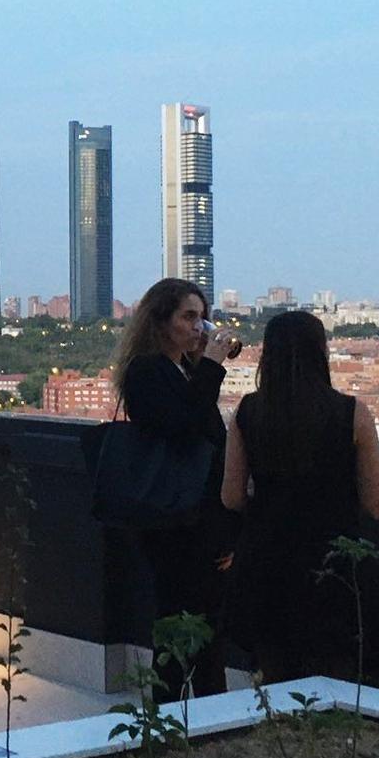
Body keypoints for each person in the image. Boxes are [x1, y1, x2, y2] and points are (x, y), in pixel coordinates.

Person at [222, 310, 379, 683]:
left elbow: (231, 496)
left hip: (267, 562)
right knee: (339, 674)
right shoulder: (353, 414)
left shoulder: (247, 412)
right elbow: (377, 503)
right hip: (335, 565)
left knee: (277, 672)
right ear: (322, 353)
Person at [111, 277, 241, 700]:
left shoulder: (178, 369)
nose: (198, 326)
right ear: (160, 321)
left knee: (201, 627)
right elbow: (184, 428)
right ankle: (181, 715)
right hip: (175, 523)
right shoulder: (148, 372)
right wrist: (213, 366)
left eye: (202, 317)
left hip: (192, 519)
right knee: (184, 625)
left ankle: (193, 714)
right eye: (188, 317)